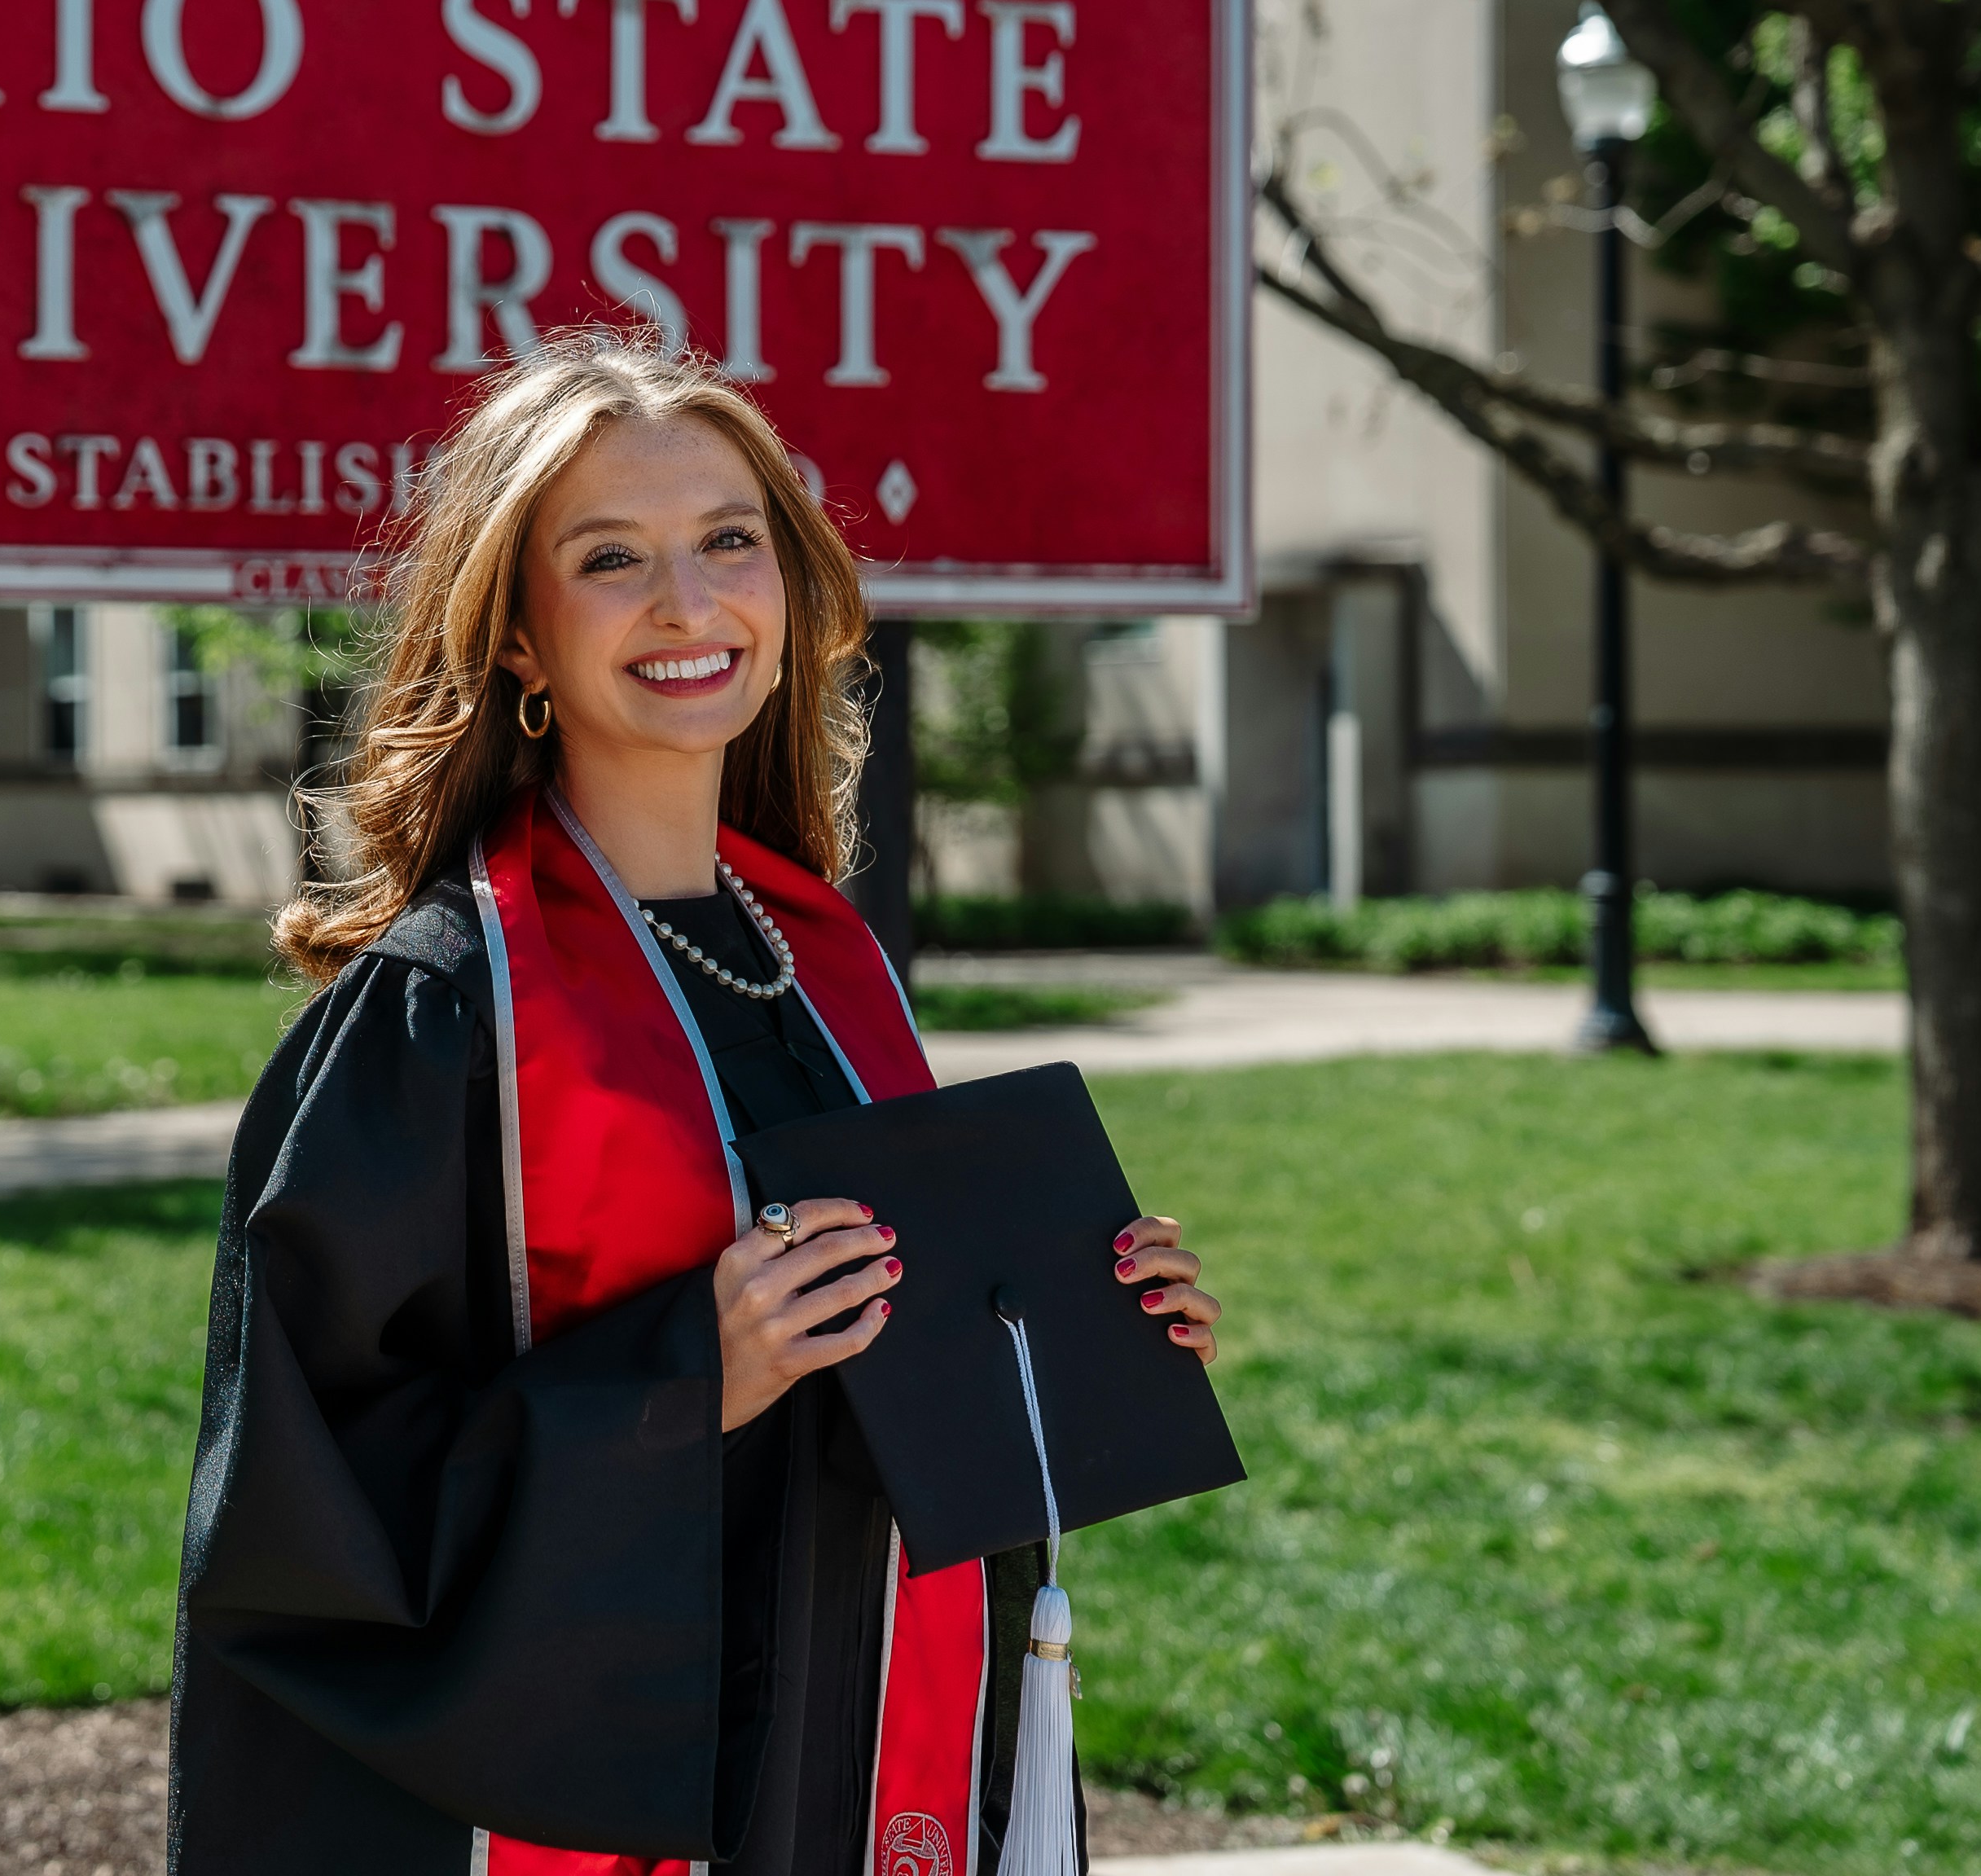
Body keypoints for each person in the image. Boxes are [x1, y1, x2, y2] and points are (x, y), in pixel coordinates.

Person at [169, 338, 1221, 1876]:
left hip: (829, 1747)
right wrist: (685, 1379)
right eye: (611, 559)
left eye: (731, 540)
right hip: (617, 1778)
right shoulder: (442, 1013)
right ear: (517, 637)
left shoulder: (819, 965)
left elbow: (888, 1371)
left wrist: (1073, 1337)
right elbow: (302, 1510)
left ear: (788, 594)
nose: (687, 602)